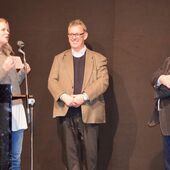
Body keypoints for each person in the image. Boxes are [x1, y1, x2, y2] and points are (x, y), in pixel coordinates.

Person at [48, 19, 109, 170]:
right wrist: (64, 96)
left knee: (91, 158)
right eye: (71, 34)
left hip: (90, 112)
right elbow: (52, 81)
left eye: (77, 34)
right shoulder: (59, 58)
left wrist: (84, 96)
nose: (74, 38)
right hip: (67, 112)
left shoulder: (99, 58)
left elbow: (103, 82)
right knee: (71, 159)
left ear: (85, 35)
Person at [0, 18, 31, 170]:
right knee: (3, 158)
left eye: (8, 29)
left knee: (15, 158)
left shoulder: (8, 53)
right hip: (2, 111)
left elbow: (13, 85)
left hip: (16, 108)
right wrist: (3, 70)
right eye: (3, 29)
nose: (7, 32)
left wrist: (23, 73)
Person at [151, 56, 170, 170]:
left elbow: (164, 91)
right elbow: (153, 77)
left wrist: (159, 87)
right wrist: (162, 78)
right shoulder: (169, 60)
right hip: (168, 123)